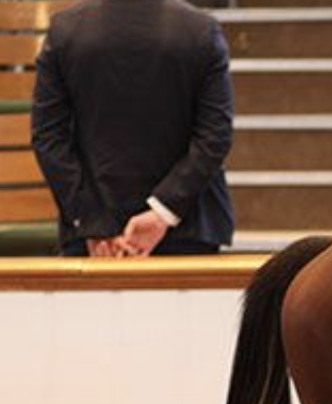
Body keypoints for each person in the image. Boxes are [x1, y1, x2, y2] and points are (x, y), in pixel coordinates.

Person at [30, 0, 235, 257]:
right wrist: (162, 212)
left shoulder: (66, 29)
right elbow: (215, 136)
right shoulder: (200, 29)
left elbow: (48, 136)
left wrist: (91, 220)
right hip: (186, 226)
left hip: (94, 235)